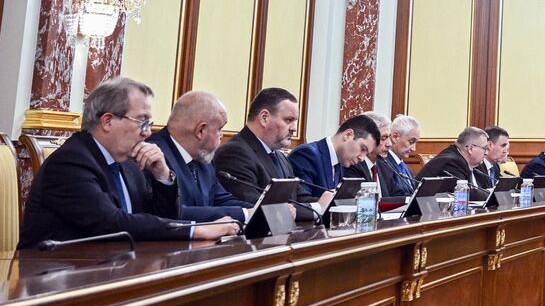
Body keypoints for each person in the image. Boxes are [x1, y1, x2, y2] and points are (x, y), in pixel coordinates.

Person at [19, 78, 239, 248]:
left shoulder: (129, 163)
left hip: (114, 266)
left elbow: (161, 218)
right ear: (108, 121)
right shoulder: (71, 162)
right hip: (53, 274)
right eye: (142, 122)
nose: (147, 133)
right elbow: (112, 224)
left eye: (149, 123)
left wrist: (162, 175)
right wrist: (195, 230)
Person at [214, 87, 329, 222]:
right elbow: (254, 206)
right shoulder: (234, 153)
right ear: (264, 118)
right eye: (288, 120)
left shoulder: (280, 156)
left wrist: (332, 204)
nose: (294, 128)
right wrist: (318, 208)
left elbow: (298, 197)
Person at [149, 90, 247, 222]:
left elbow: (221, 200)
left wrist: (260, 210)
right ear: (200, 130)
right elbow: (174, 213)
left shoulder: (203, 158)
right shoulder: (155, 157)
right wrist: (244, 214)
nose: (221, 135)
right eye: (219, 129)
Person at [288, 115, 380, 200]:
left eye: (366, 153)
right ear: (348, 135)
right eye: (363, 149)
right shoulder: (307, 154)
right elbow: (301, 202)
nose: (362, 158)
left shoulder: (340, 161)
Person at [345, 113, 415, 199]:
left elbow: (399, 195)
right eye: (383, 138)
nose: (389, 144)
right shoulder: (353, 165)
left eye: (389, 137)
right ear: (368, 139)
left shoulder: (384, 165)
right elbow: (363, 202)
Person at [418, 127, 493, 188]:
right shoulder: (452, 162)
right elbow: (464, 192)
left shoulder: (477, 165)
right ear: (470, 149)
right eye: (484, 148)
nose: (486, 153)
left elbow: (483, 189)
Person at [381, 114, 421, 194]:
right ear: (395, 137)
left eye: (416, 142)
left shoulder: (405, 167)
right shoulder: (384, 164)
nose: (414, 149)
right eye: (411, 141)